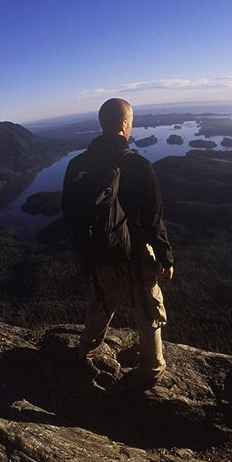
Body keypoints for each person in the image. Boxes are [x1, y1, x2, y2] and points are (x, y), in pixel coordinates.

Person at [62, 98, 174, 387]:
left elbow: (70, 213)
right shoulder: (139, 165)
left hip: (99, 255)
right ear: (125, 124)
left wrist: (85, 254)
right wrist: (165, 256)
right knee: (148, 312)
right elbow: (153, 219)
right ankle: (151, 371)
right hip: (136, 256)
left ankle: (85, 354)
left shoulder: (77, 165)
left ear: (102, 124)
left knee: (99, 307)